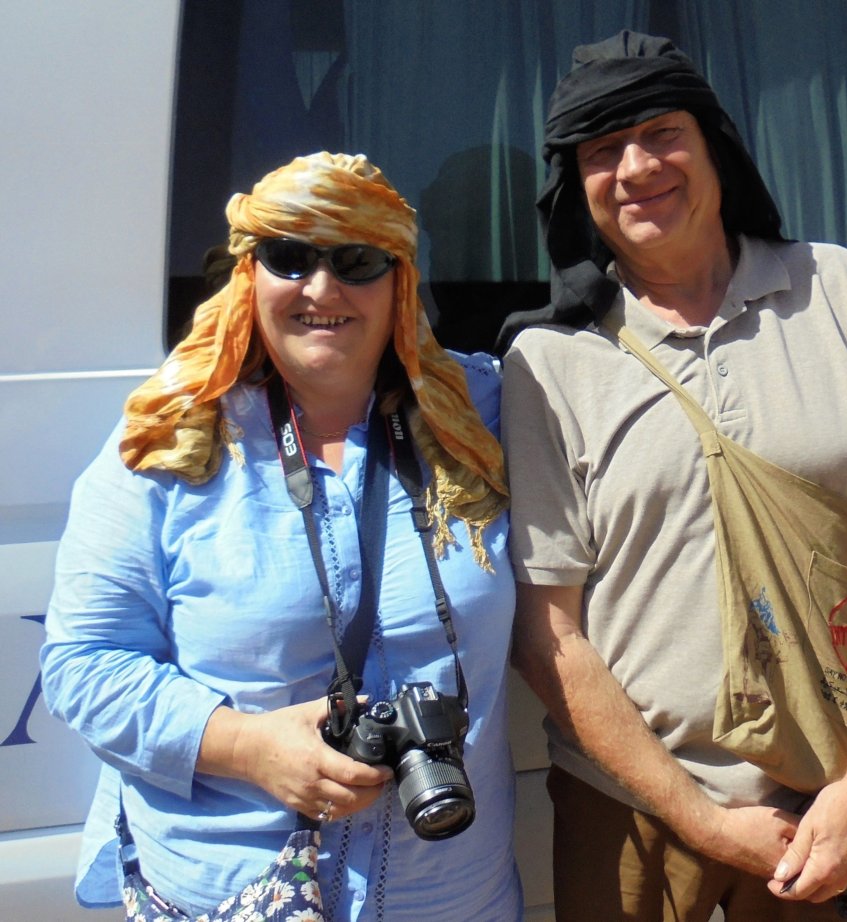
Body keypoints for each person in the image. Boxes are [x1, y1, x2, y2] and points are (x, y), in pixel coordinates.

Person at [500, 31, 847, 922]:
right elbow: (550, 634)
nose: (634, 168)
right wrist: (698, 815)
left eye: (661, 133)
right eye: (600, 150)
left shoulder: (841, 292)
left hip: (826, 800)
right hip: (630, 813)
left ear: (714, 145)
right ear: (575, 185)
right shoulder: (548, 362)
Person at [42, 151, 523, 921]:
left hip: (446, 893)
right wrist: (246, 747)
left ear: (401, 281)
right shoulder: (169, 441)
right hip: (230, 891)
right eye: (290, 257)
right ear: (248, 275)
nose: (322, 289)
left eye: (357, 260)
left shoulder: (481, 416)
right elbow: (83, 664)